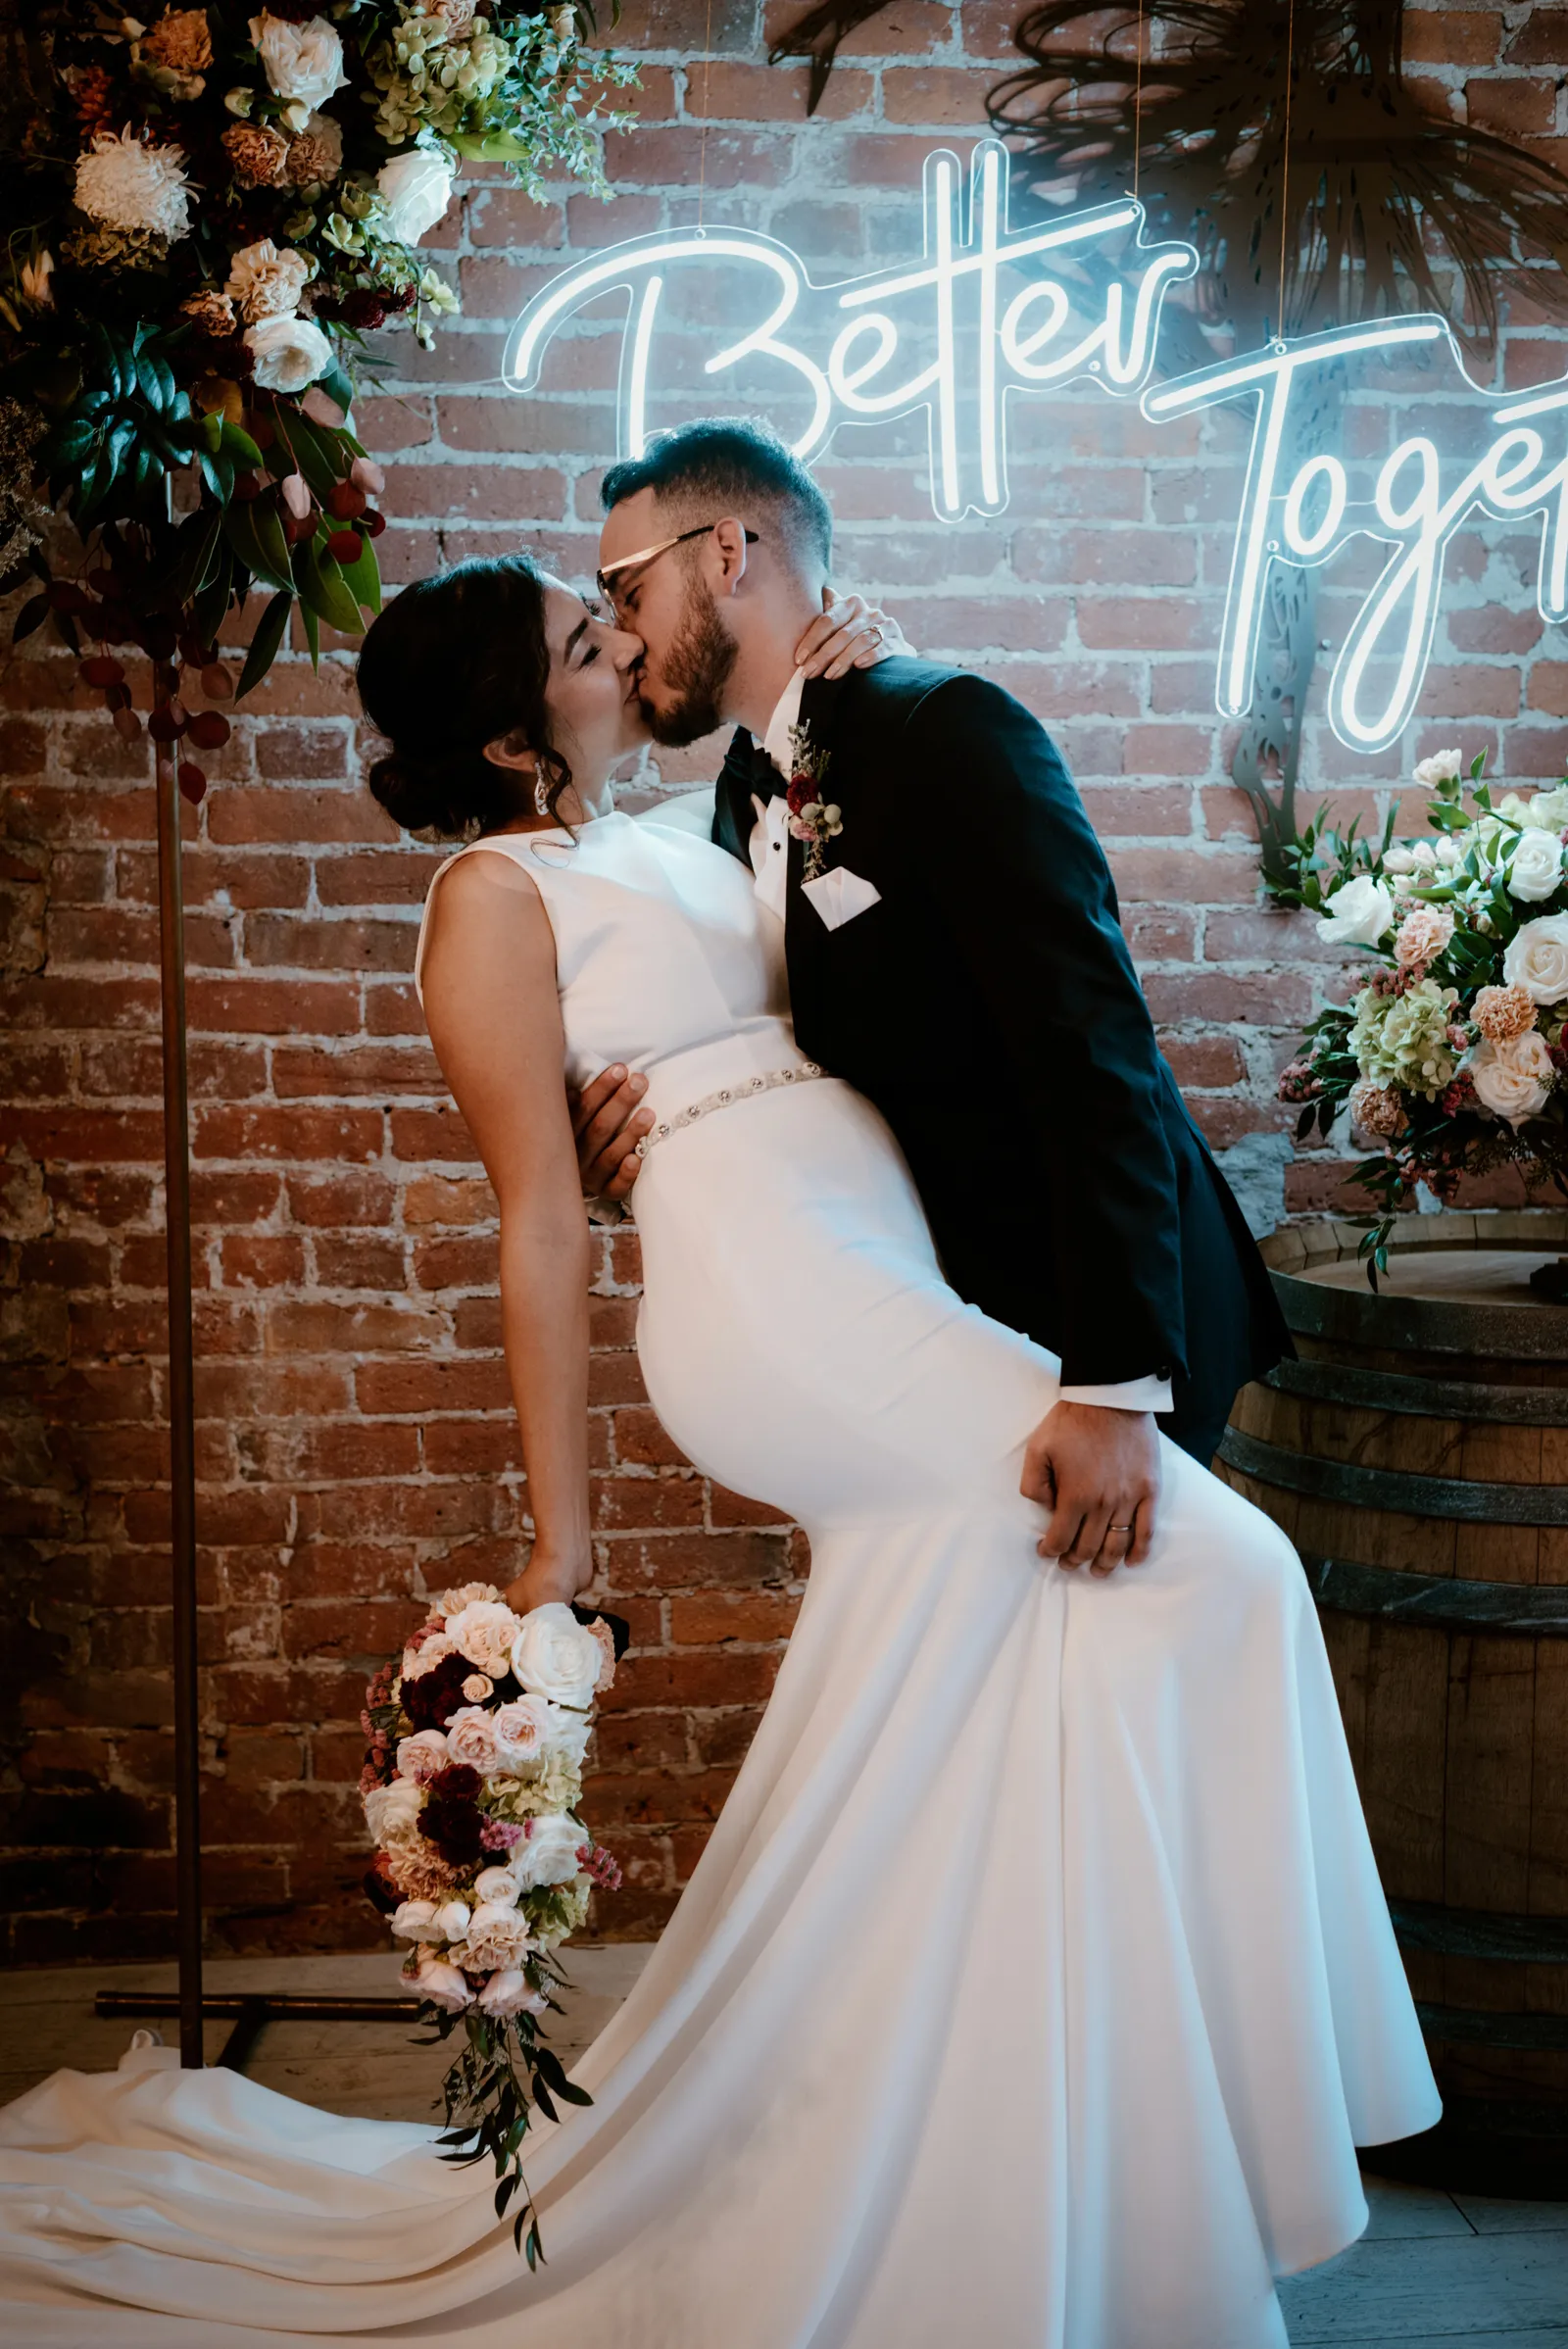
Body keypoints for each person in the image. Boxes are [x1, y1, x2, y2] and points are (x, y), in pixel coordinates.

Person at [0, 545, 1439, 2349]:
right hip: (776, 1304)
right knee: (1219, 1563)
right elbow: (538, 1219)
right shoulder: (483, 902)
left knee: (1035, 1655)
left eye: (609, 617)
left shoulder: (683, 830)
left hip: (868, 1254)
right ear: (516, 723)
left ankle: (1027, 2164)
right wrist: (561, 1545)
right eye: (580, 637)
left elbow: (826, 906)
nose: (618, 641)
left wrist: (836, 694)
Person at [578, 420, 1294, 1580]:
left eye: (621, 587)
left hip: (1087, 1330)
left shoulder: (944, 728)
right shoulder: (737, 794)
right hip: (953, 1331)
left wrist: (1113, 1389)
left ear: (723, 553)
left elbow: (1090, 1050)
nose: (616, 631)